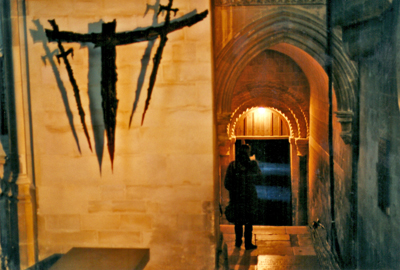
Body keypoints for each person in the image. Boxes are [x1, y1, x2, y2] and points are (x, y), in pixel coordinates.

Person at [224, 144, 262, 250]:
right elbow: (259, 178)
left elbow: (227, 183)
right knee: (249, 222)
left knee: (238, 221)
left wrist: (235, 190)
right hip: (249, 197)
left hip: (236, 198)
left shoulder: (233, 166)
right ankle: (248, 243)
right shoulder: (252, 165)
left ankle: (238, 241)